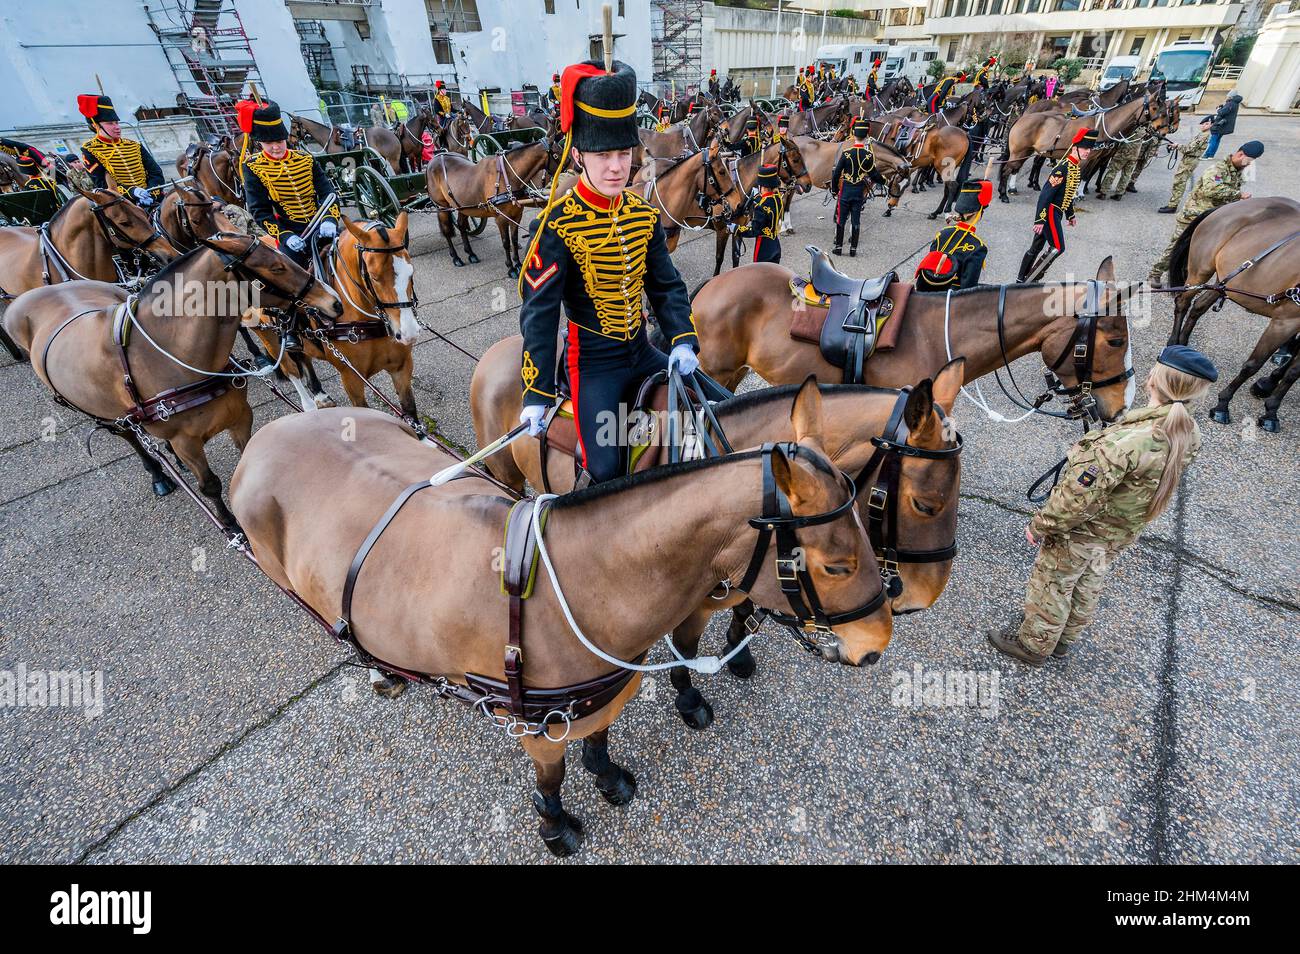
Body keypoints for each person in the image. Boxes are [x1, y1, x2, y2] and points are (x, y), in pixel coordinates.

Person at [517, 59, 699, 486]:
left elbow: (666, 284)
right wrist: (537, 392)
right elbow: (539, 314)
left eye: (624, 153)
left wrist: (682, 338)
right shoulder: (556, 225)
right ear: (579, 156)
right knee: (605, 472)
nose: (617, 167)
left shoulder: (642, 214)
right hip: (595, 366)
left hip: (642, 350)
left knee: (713, 410)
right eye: (603, 156)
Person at [989, 346, 1217, 664]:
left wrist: (1039, 525)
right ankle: (1063, 641)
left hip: (1084, 531)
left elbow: (1074, 499)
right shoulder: (1188, 433)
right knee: (1088, 580)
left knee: (1054, 583)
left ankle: (1033, 646)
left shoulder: (1123, 443)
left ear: (1154, 379)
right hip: (1119, 532)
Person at [239, 99, 340, 349]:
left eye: (279, 142)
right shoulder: (253, 168)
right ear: (260, 143)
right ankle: (290, 327)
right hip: (291, 231)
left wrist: (329, 219)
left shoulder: (305, 160)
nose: (275, 147)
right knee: (285, 278)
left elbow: (327, 192)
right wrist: (283, 236)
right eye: (269, 143)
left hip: (321, 223)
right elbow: (260, 211)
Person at [1148, 139, 1261, 286]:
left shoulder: (1236, 172)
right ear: (1240, 154)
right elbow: (1211, 190)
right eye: (1249, 160)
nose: (1249, 164)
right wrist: (1238, 195)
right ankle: (1155, 274)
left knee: (1197, 250)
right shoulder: (1218, 169)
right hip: (1193, 215)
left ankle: (1183, 275)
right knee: (1177, 247)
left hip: (1212, 219)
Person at [1016, 127, 1093, 282]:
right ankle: (1031, 279)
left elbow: (1068, 194)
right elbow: (1045, 195)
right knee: (1058, 247)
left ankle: (1020, 280)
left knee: (1036, 247)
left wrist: (1070, 215)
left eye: (1089, 149)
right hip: (1050, 212)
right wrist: (1039, 220)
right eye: (1085, 148)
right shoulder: (1062, 168)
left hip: (1056, 213)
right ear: (1075, 148)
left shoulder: (1075, 169)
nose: (1087, 152)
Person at [76, 94, 163, 206]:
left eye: (116, 122)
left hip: (151, 197)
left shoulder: (134, 145)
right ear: (95, 125)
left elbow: (155, 172)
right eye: (110, 123)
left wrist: (151, 193)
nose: (117, 127)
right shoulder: (90, 150)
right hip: (123, 203)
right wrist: (133, 192)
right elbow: (102, 184)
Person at [914, 179, 991, 290]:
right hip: (951, 301)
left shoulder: (942, 233)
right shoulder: (978, 247)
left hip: (925, 291)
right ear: (977, 214)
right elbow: (968, 288)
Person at [831, 119, 878, 257]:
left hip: (845, 191)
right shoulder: (869, 155)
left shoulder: (846, 153)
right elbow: (874, 175)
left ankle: (839, 247)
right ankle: (853, 250)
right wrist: (885, 181)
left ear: (853, 134)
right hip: (858, 192)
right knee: (856, 220)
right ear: (867, 136)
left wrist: (834, 189)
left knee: (841, 219)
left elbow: (836, 174)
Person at [1158, 117, 1211, 213]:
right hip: (1188, 160)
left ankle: (1172, 206)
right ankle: (1173, 204)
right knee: (1179, 181)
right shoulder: (1202, 134)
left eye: (1207, 124)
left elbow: (1189, 149)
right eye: (1203, 124)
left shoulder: (1204, 136)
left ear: (1211, 125)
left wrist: (1177, 146)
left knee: (1179, 183)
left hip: (1190, 161)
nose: (1203, 125)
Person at [736, 163, 784, 264]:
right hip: (775, 246)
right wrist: (757, 197)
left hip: (763, 250)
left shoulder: (760, 207)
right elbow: (766, 201)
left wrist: (736, 229)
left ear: (763, 186)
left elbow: (754, 231)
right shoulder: (778, 199)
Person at [1204, 92, 1241, 158]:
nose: (1227, 97)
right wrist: (1223, 107)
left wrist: (1218, 109)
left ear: (1231, 97)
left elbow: (1221, 113)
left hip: (1220, 125)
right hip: (1224, 125)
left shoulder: (1231, 104)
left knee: (1213, 141)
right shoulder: (1235, 103)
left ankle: (1207, 155)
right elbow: (1227, 111)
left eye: (1228, 96)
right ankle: (1211, 155)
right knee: (1217, 140)